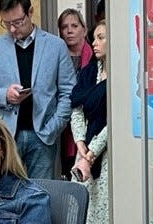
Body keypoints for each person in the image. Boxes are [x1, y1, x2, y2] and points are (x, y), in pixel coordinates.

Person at [0, 0, 76, 179]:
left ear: (30, 13)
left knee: (40, 196)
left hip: (43, 136)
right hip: (6, 137)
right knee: (7, 197)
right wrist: (4, 95)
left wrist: (55, 125)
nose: (12, 29)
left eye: (17, 22)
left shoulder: (56, 46)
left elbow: (69, 91)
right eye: (6, 24)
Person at [70, 20, 109, 224]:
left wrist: (94, 150)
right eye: (94, 38)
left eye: (101, 38)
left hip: (109, 152)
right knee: (89, 210)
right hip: (87, 150)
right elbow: (77, 109)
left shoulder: (120, 76)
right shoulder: (88, 73)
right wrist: (81, 144)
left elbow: (114, 119)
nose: (94, 43)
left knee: (107, 213)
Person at [58, 8, 93, 180]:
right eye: (64, 27)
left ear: (84, 29)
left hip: (89, 122)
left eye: (74, 25)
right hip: (63, 126)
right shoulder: (56, 56)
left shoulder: (95, 55)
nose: (69, 30)